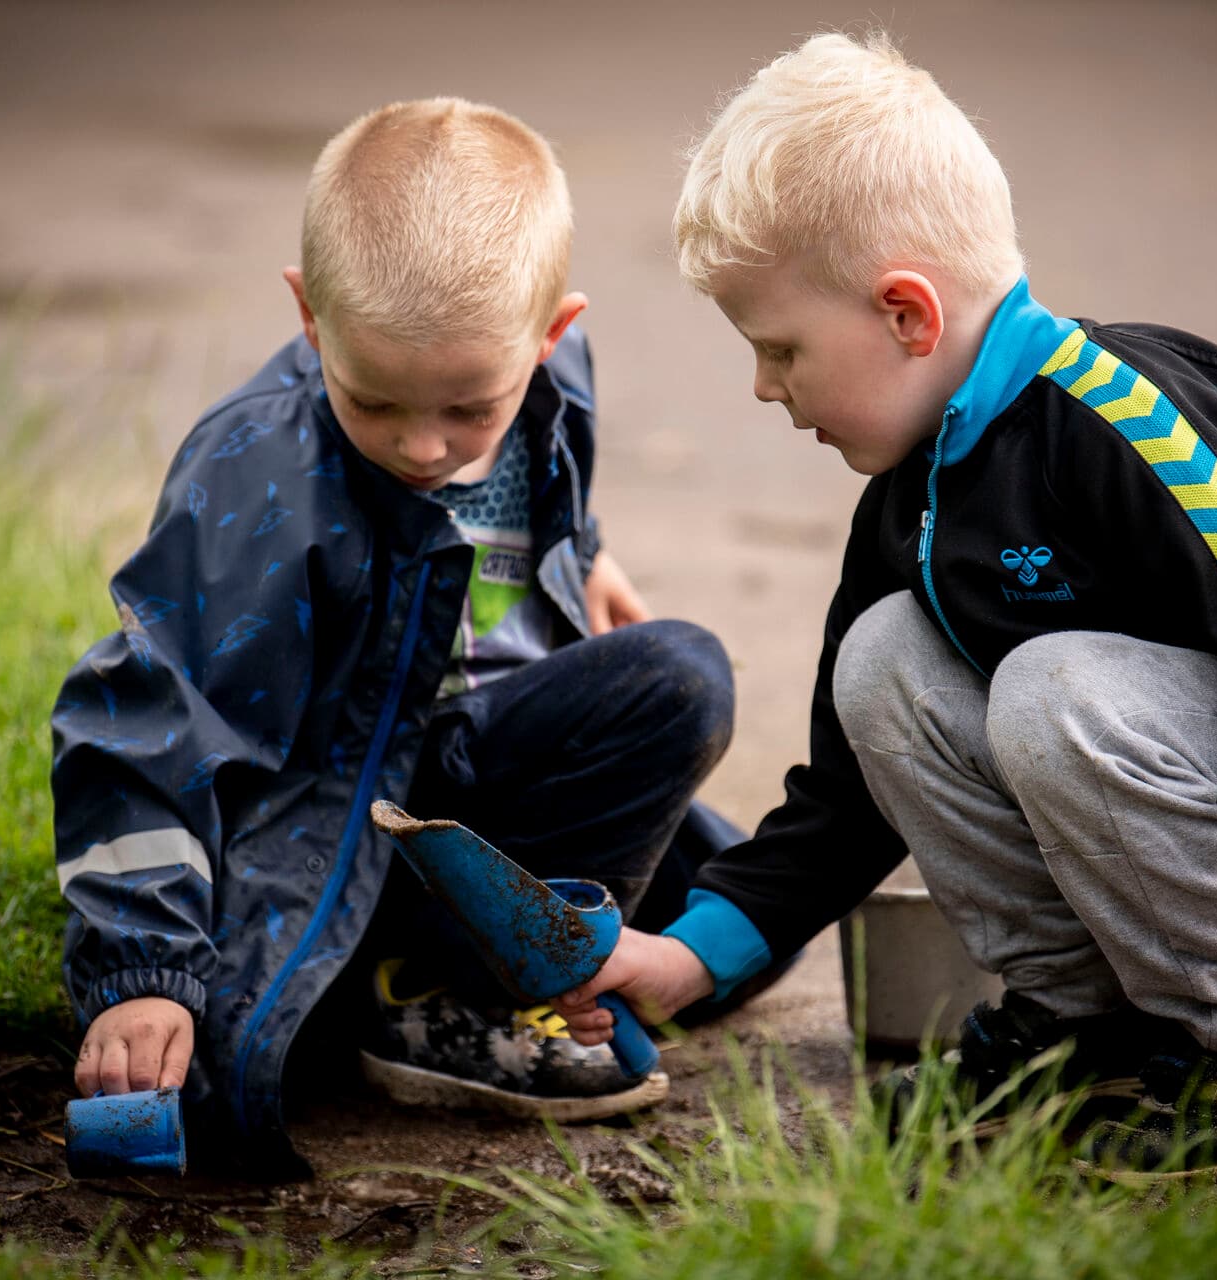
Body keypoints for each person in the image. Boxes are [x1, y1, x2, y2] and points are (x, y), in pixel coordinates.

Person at [553, 33, 1217, 1181]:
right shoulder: (914, 491)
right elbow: (846, 797)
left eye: (782, 348)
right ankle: (1085, 1034)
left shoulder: (1129, 428)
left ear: (907, 314)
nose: (765, 385)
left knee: (1053, 689)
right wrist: (689, 956)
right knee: (881, 659)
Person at [51, 98, 742, 1176]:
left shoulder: (555, 383)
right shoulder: (256, 479)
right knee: (682, 677)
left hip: (482, 777)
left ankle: (500, 958)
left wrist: (582, 555)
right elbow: (146, 722)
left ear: (550, 334)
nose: (424, 448)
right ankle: (446, 994)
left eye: (470, 410)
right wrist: (143, 972)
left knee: (738, 922)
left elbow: (536, 495)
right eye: (374, 404)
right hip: (352, 824)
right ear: (310, 315)